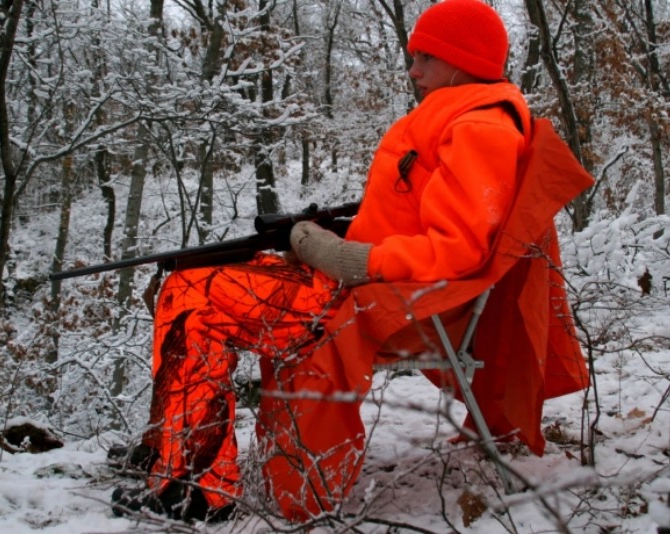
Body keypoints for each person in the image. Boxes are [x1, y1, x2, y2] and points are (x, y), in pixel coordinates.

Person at [110, 0, 593, 523]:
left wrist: (341, 254)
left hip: (404, 307)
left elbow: (458, 250)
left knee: (198, 297)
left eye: (425, 58)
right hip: (373, 288)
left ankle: (199, 484)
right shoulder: (458, 116)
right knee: (188, 281)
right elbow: (412, 216)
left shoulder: (481, 126)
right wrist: (330, 235)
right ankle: (173, 449)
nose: (414, 71)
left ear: (463, 60)